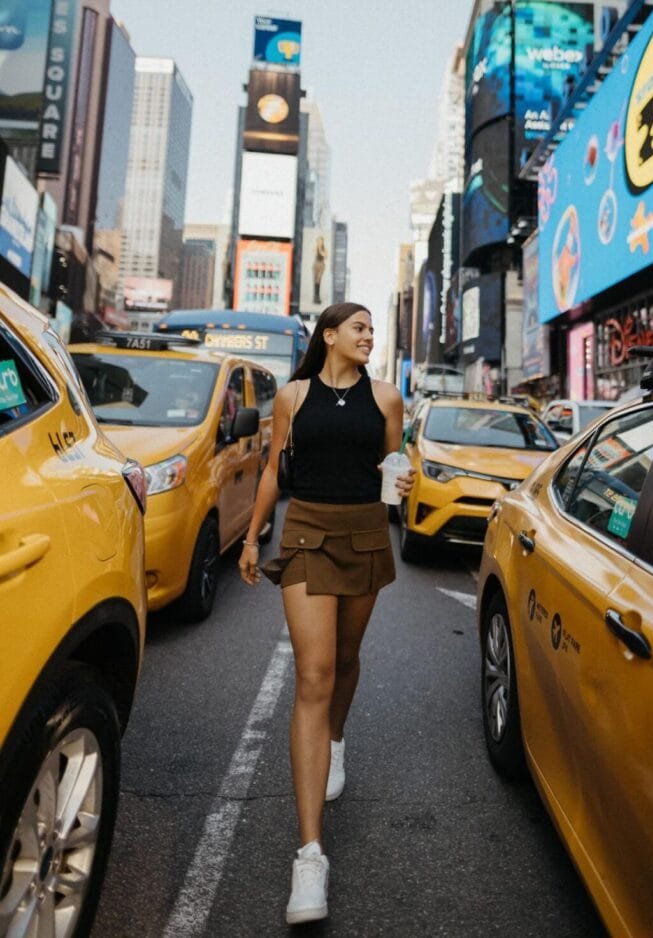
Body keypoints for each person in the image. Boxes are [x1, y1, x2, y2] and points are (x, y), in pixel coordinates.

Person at [238, 302, 415, 925]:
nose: (370, 336)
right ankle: (309, 854)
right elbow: (272, 471)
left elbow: (392, 474)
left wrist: (404, 485)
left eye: (373, 329)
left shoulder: (388, 399)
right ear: (330, 335)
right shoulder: (291, 396)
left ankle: (335, 740)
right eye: (359, 327)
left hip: (365, 533)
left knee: (345, 659)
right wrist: (254, 535)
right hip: (308, 531)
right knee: (313, 674)